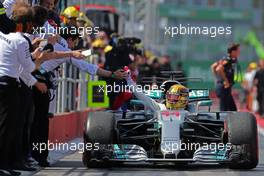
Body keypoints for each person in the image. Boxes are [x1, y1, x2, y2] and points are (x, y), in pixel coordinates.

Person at [211, 43, 240, 111]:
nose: (239, 53)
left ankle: (231, 121)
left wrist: (217, 79)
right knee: (224, 111)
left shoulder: (228, 60)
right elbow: (218, 69)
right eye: (238, 51)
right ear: (233, 52)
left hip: (225, 89)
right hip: (223, 88)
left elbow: (213, 66)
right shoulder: (228, 60)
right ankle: (223, 121)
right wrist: (225, 80)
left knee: (233, 109)